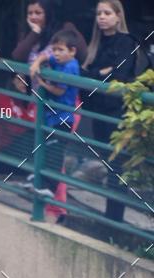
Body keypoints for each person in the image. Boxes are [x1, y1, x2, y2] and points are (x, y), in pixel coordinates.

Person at [83, 0, 137, 223]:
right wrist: (101, 73)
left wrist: (98, 74)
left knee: (117, 166)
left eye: (107, 13)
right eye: (99, 14)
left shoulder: (127, 42)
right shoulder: (95, 44)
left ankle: (114, 219)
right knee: (107, 162)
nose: (102, 17)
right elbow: (84, 75)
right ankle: (109, 218)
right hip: (99, 113)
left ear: (118, 16)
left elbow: (120, 75)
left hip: (118, 114)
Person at [27, 29, 81, 197]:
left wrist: (43, 84)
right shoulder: (58, 59)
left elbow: (59, 91)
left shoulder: (71, 66)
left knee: (55, 153)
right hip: (52, 115)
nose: (56, 53)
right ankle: (39, 178)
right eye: (55, 49)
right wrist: (36, 63)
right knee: (46, 148)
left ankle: (50, 187)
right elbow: (45, 56)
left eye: (60, 50)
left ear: (72, 51)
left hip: (64, 118)